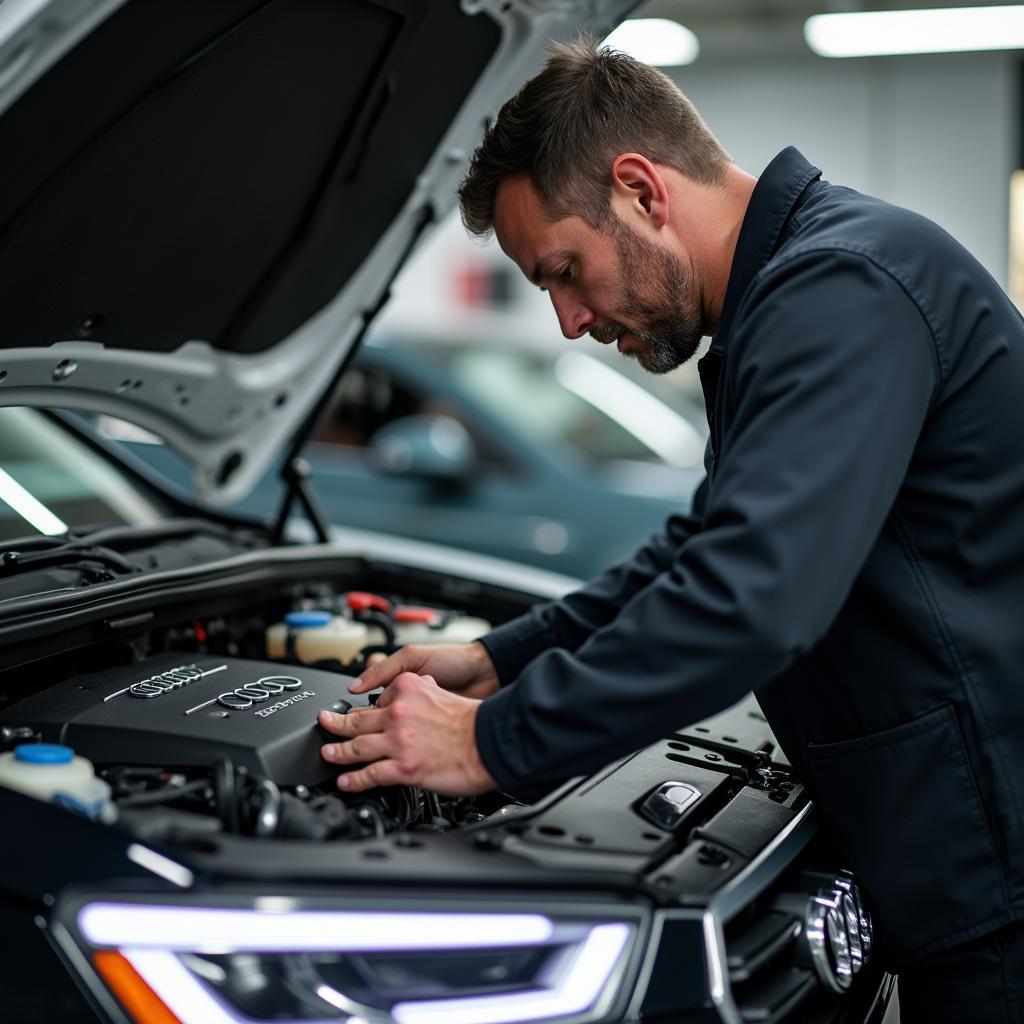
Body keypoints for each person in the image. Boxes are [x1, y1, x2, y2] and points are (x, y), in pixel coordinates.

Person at [317, 36, 1024, 1020]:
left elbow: (752, 595)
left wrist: (491, 742)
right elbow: (703, 547)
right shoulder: (794, 295)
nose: (566, 320)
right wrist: (501, 655)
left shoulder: (843, 290)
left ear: (641, 190)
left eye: (564, 270)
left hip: (998, 868)